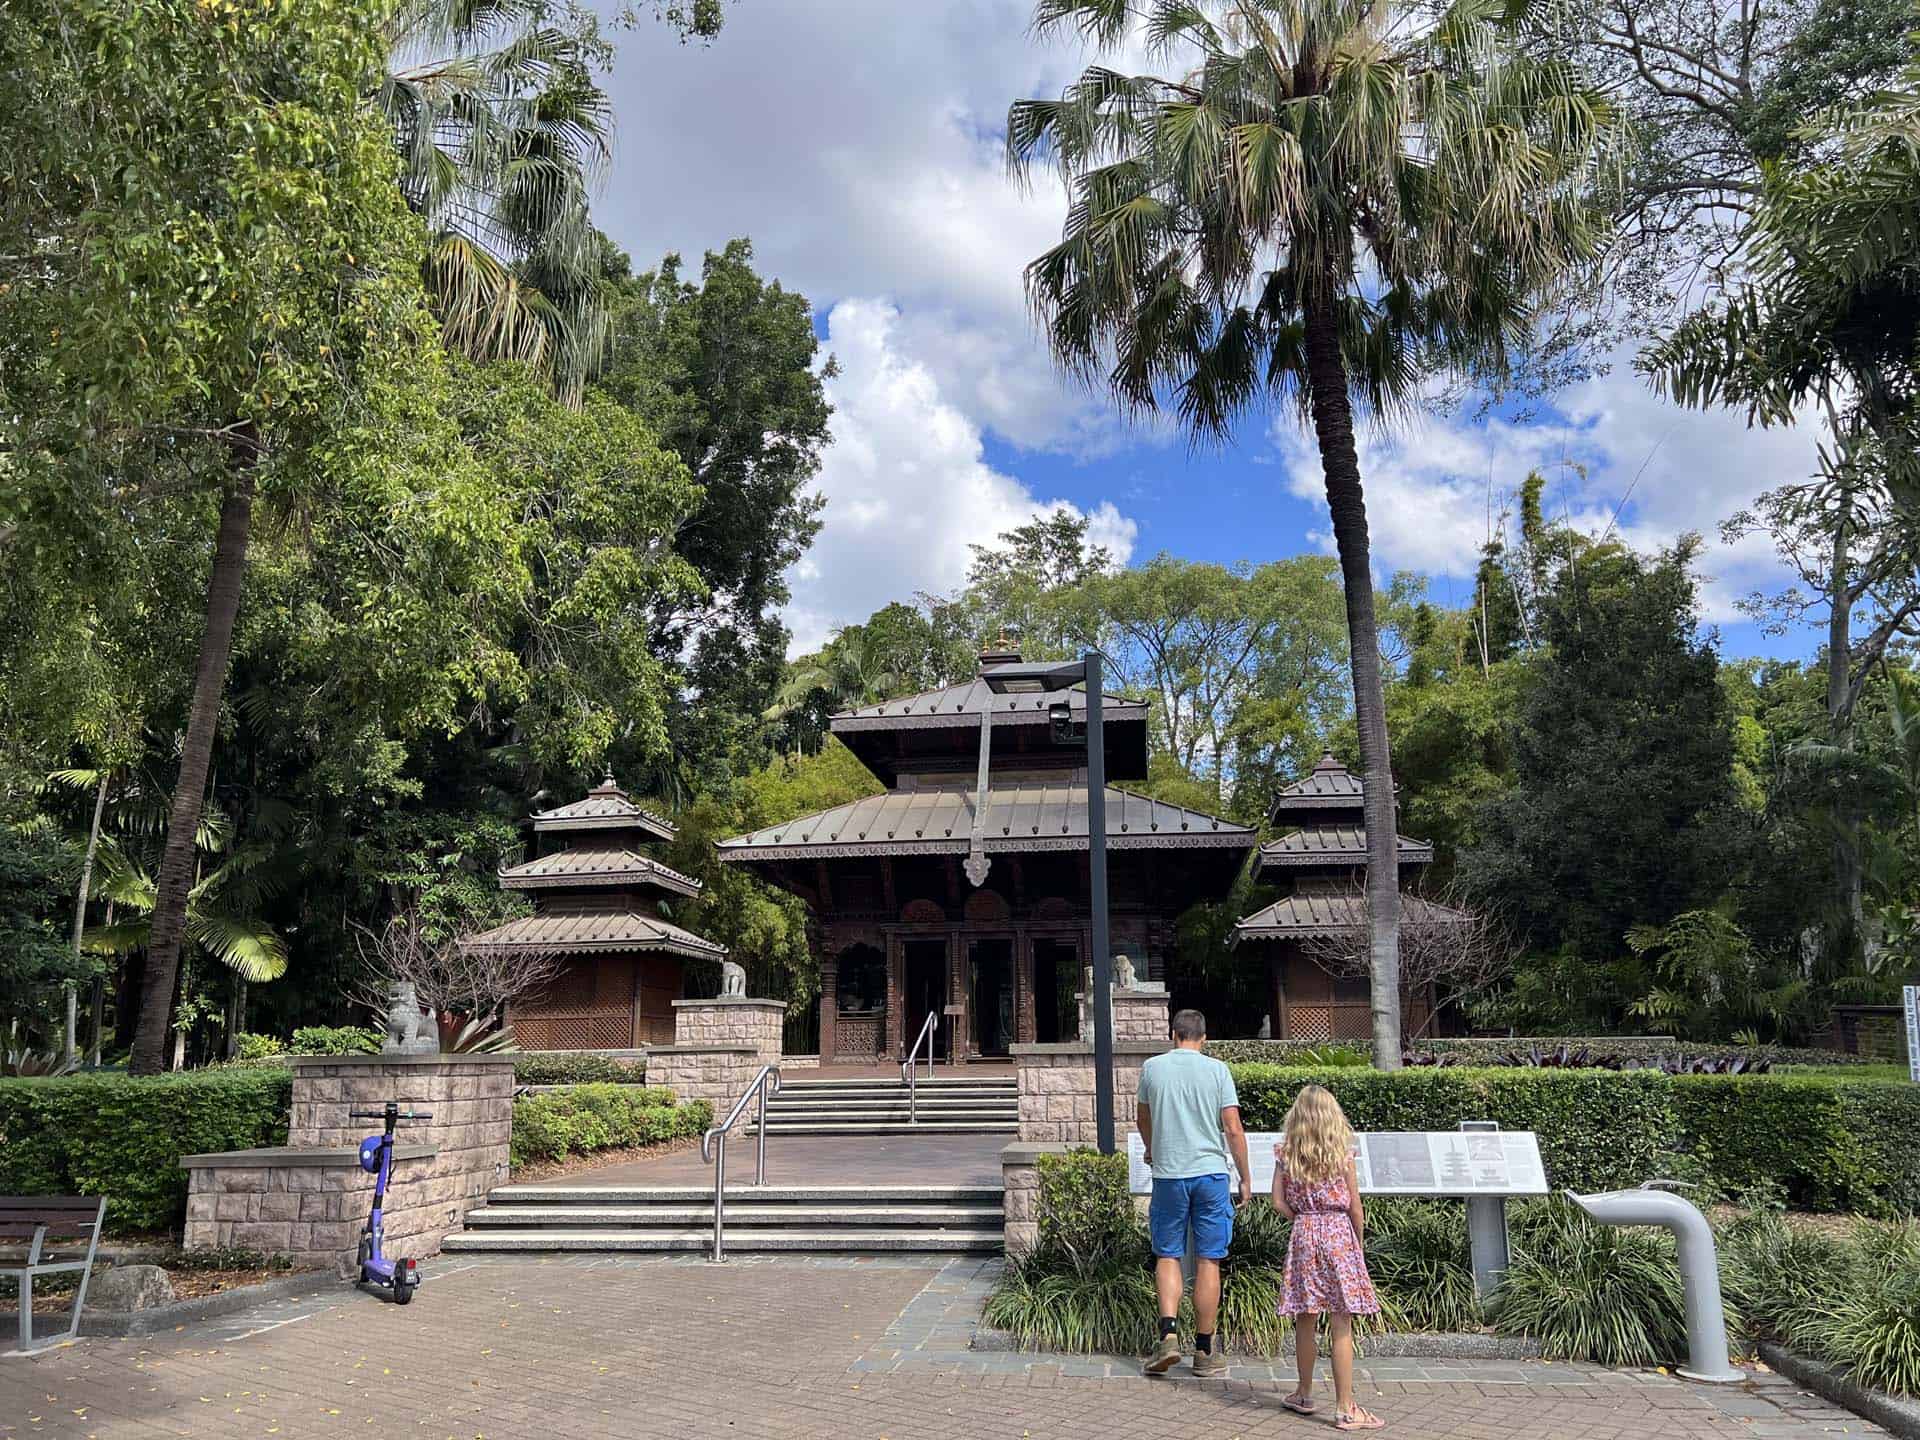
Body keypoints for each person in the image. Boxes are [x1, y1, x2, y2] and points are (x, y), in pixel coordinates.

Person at [1135, 1007, 1251, 1377]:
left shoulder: (1152, 1068)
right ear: (1204, 1039)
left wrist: (1152, 1148)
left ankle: (1168, 1336)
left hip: (1169, 1174)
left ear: (1173, 1035)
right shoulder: (1218, 1070)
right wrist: (1246, 1176)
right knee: (1208, 1259)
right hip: (1211, 1175)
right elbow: (1232, 1127)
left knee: (1167, 1253)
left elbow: (1142, 1117)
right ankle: (1204, 1351)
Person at [1273, 1084, 1383, 1430]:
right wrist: (1357, 1244)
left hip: (1304, 1232)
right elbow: (1355, 1207)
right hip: (1338, 1233)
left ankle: (1304, 1394)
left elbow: (1277, 1200)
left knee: (1305, 1317)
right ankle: (1345, 1407)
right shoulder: (1342, 1154)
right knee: (1341, 1320)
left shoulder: (1287, 1152)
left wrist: (1302, 1219)